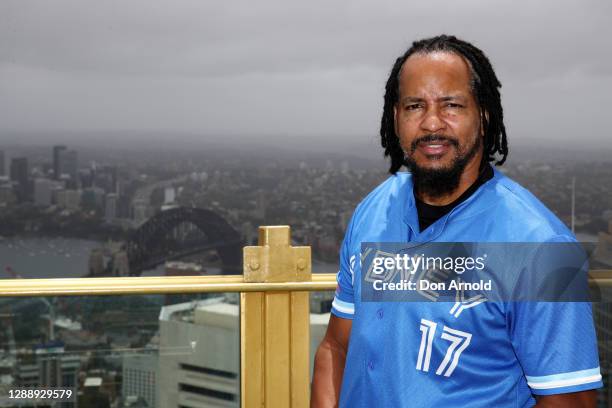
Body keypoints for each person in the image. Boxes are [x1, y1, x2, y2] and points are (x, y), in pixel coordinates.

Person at [311, 35, 602, 408]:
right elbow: (336, 347)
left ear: (483, 115)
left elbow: (571, 401)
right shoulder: (374, 210)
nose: (432, 122)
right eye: (415, 105)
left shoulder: (543, 247)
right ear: (396, 117)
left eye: (452, 105)